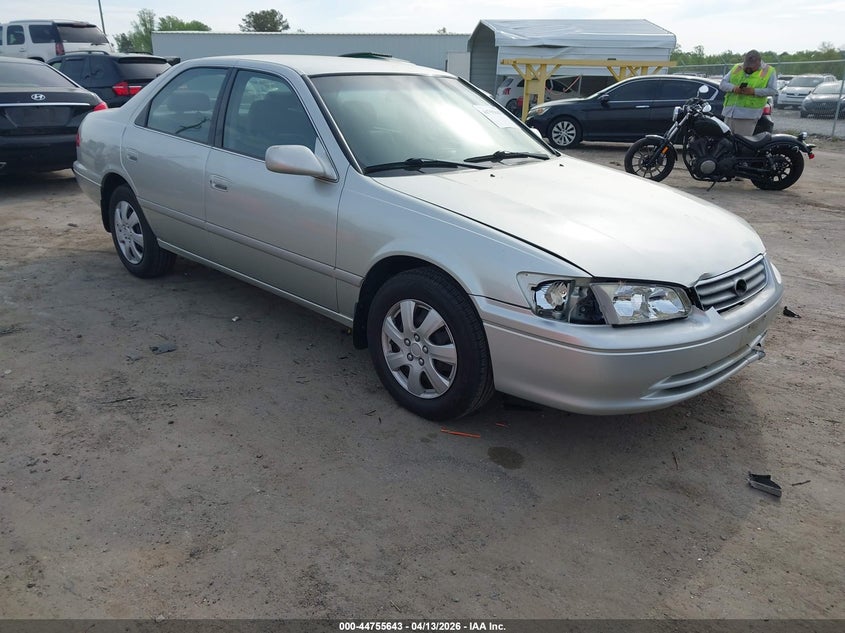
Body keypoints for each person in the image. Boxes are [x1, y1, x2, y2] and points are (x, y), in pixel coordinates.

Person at [719, 50, 778, 136]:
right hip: (730, 113)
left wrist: (754, 91)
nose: (748, 69)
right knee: (727, 140)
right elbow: (722, 84)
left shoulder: (768, 71)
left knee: (742, 142)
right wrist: (734, 88)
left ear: (759, 62)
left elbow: (773, 90)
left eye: (751, 67)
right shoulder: (738, 67)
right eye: (746, 66)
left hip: (748, 116)